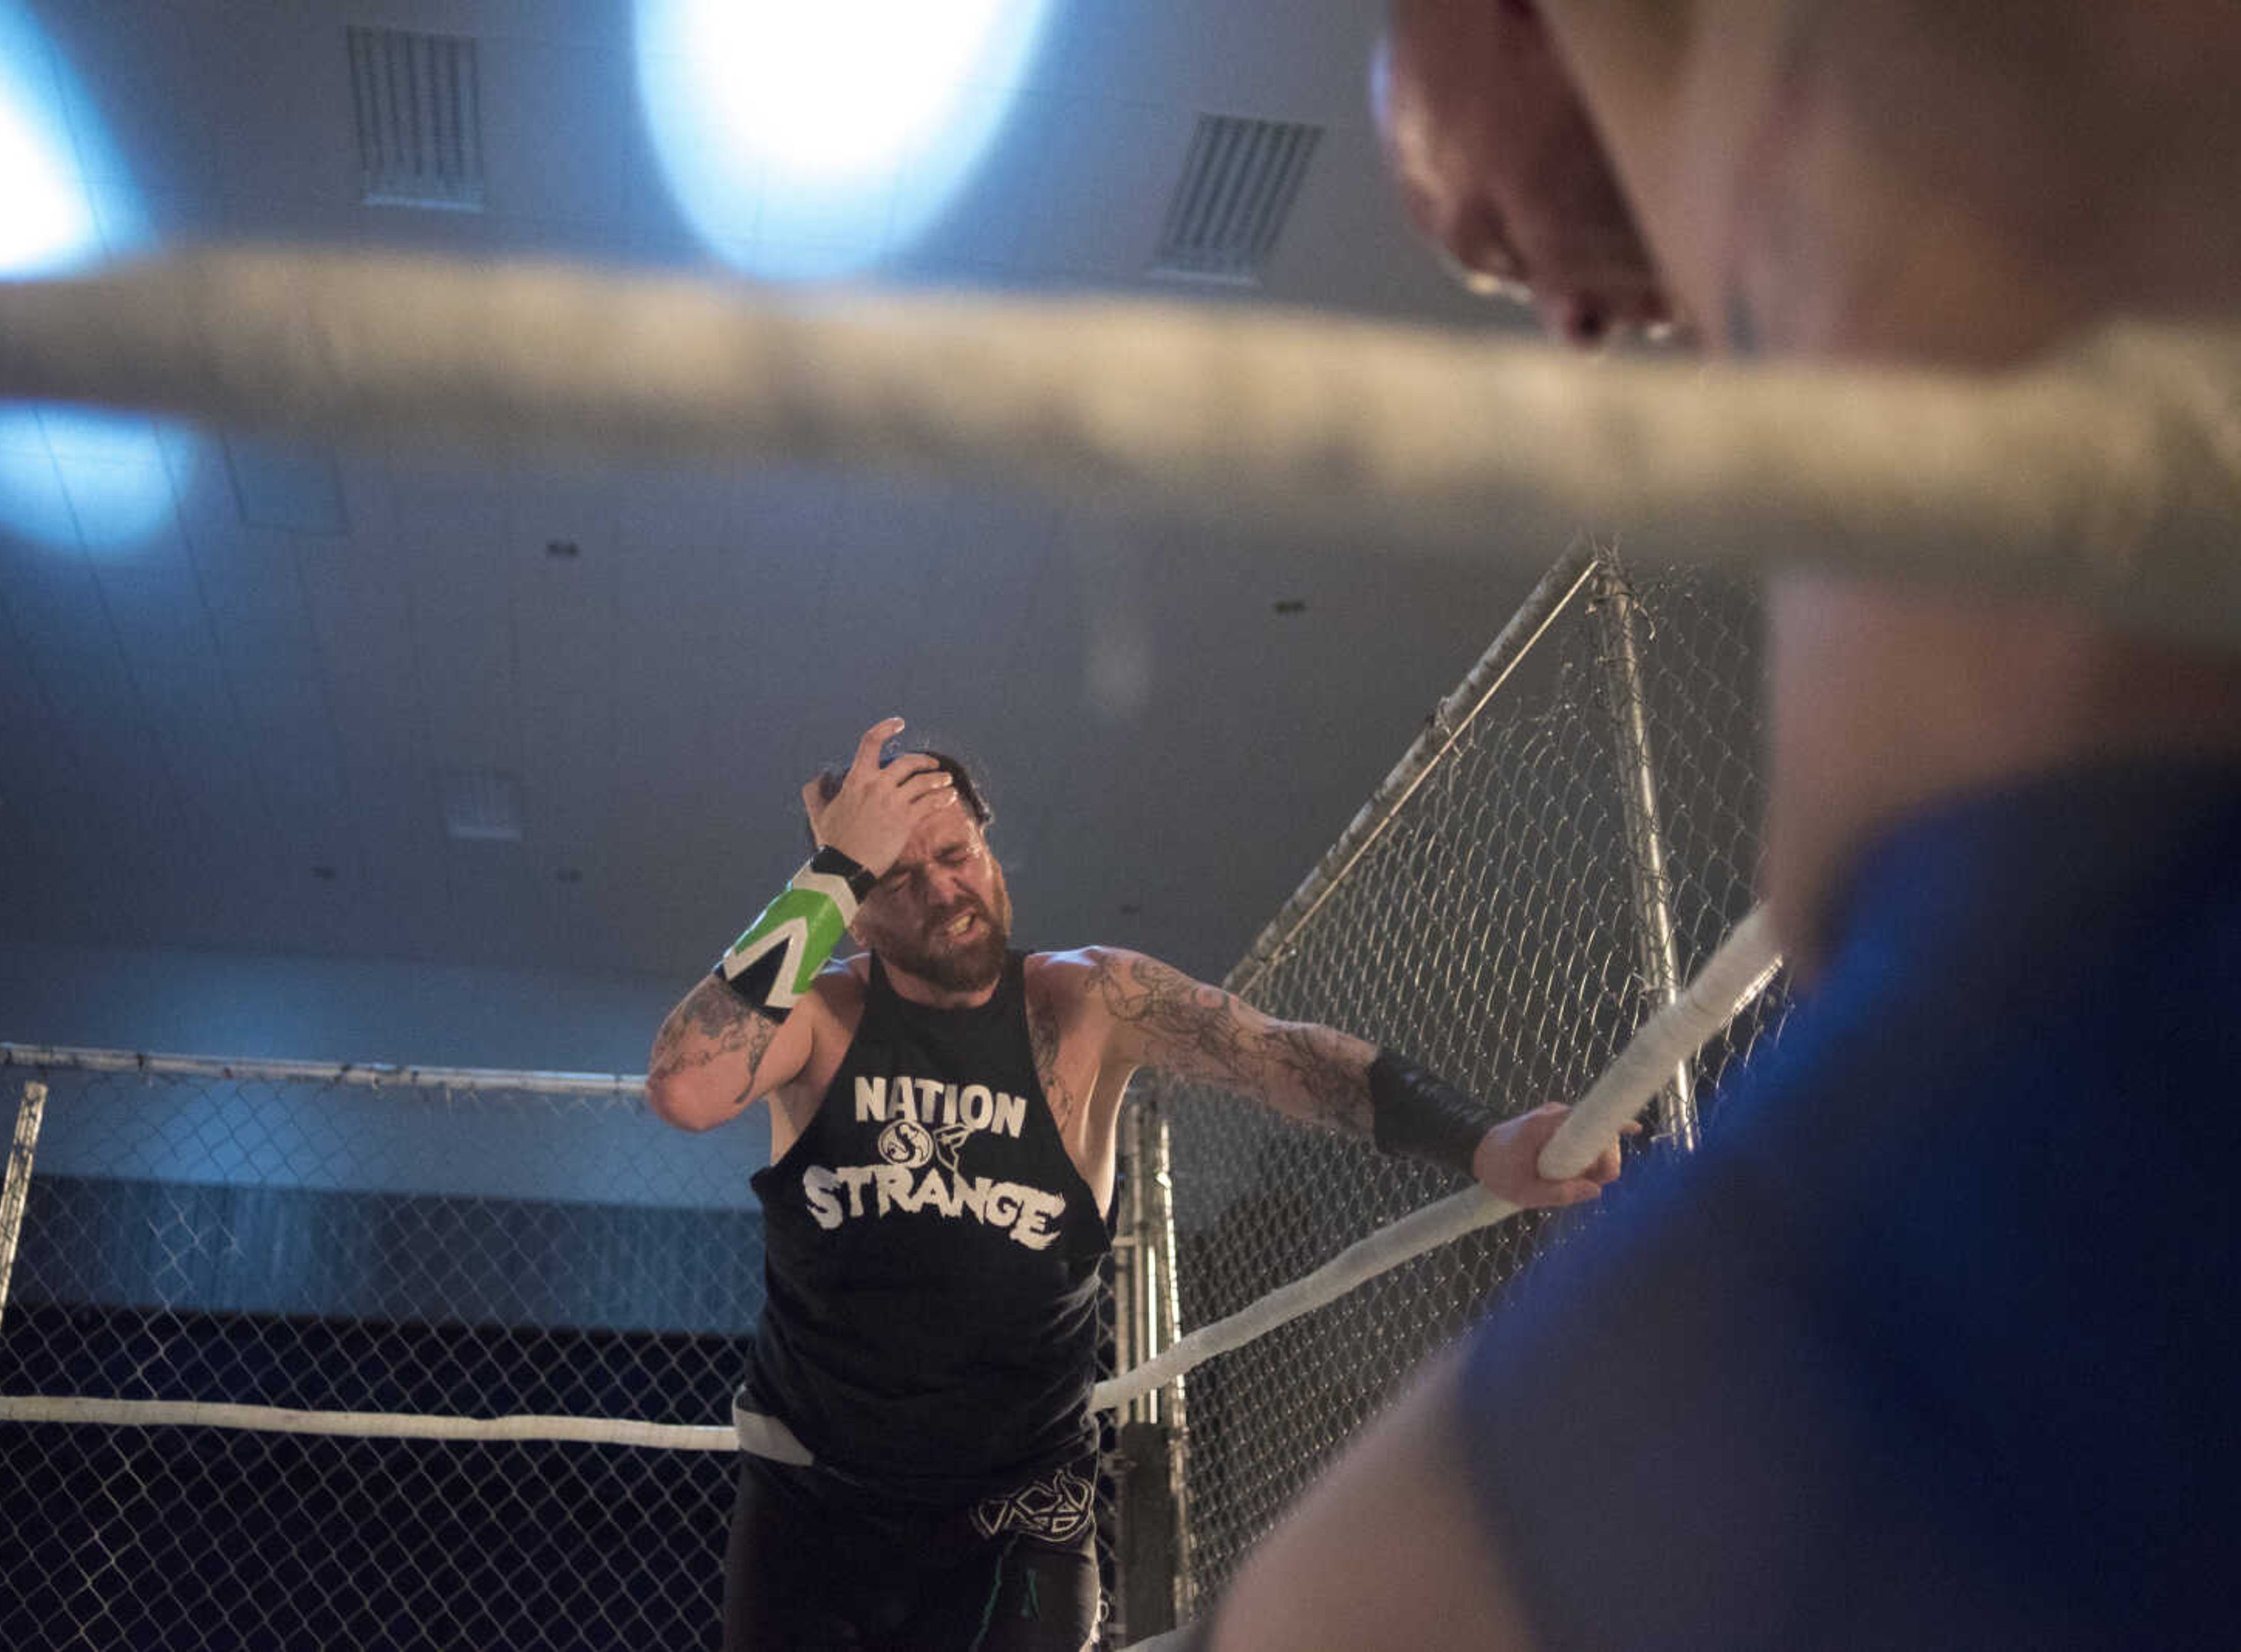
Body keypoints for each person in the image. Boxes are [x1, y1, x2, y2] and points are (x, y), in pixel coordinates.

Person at [1202, 4, 2241, 1647]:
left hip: (2103, 1021)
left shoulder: (1803, 73)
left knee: (1350, 1612)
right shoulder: (1782, 204)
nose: (1552, 314)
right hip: (2060, 1049)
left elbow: (1239, 1036)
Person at [647, 716, 1618, 1652]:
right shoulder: (821, 1018)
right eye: (896, 876)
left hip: (1017, 1511)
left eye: (958, 855)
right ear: (851, 909)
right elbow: (688, 1087)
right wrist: (829, 868)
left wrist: (1479, 1139)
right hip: (815, 1507)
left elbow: (1279, 1057)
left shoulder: (1086, 1003)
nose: (946, 891)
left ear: (989, 847)